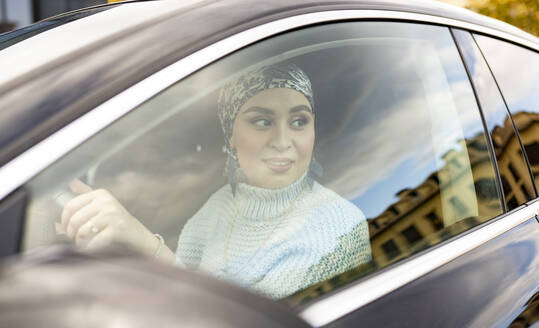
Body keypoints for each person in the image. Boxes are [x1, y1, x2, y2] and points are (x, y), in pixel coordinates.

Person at [60, 63, 371, 299]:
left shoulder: (340, 228)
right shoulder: (215, 209)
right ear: (231, 136)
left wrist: (149, 247)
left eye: (299, 121)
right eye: (262, 121)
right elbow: (176, 293)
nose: (283, 140)